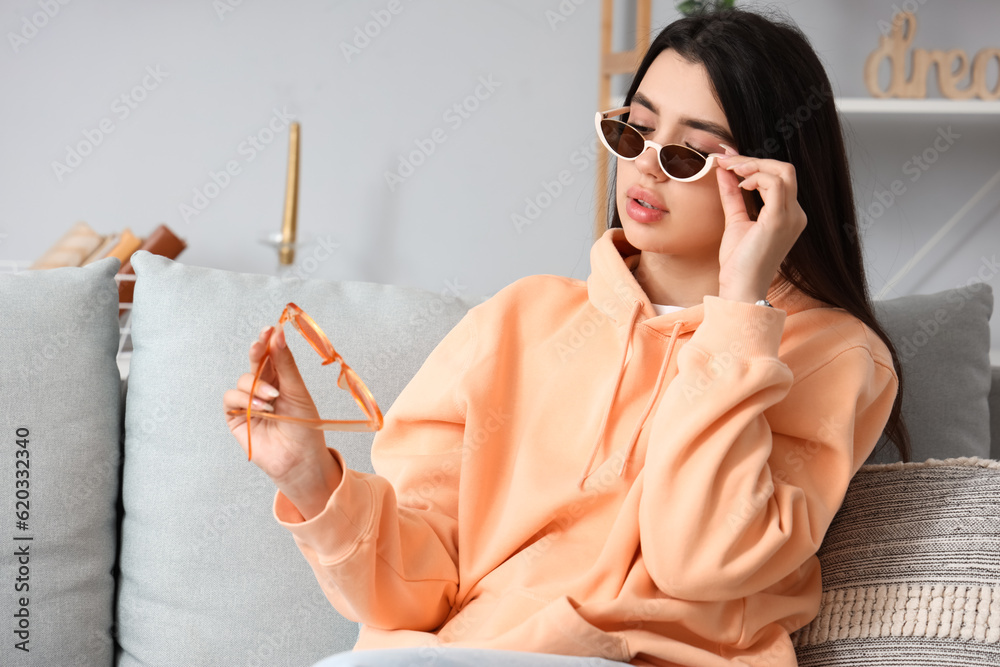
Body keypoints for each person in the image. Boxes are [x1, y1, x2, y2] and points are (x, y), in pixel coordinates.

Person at [223, 7, 911, 666]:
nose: (643, 166)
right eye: (634, 133)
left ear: (769, 186)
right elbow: (415, 594)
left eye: (687, 156)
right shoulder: (519, 318)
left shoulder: (836, 357)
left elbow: (699, 557)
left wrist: (739, 313)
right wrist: (313, 479)